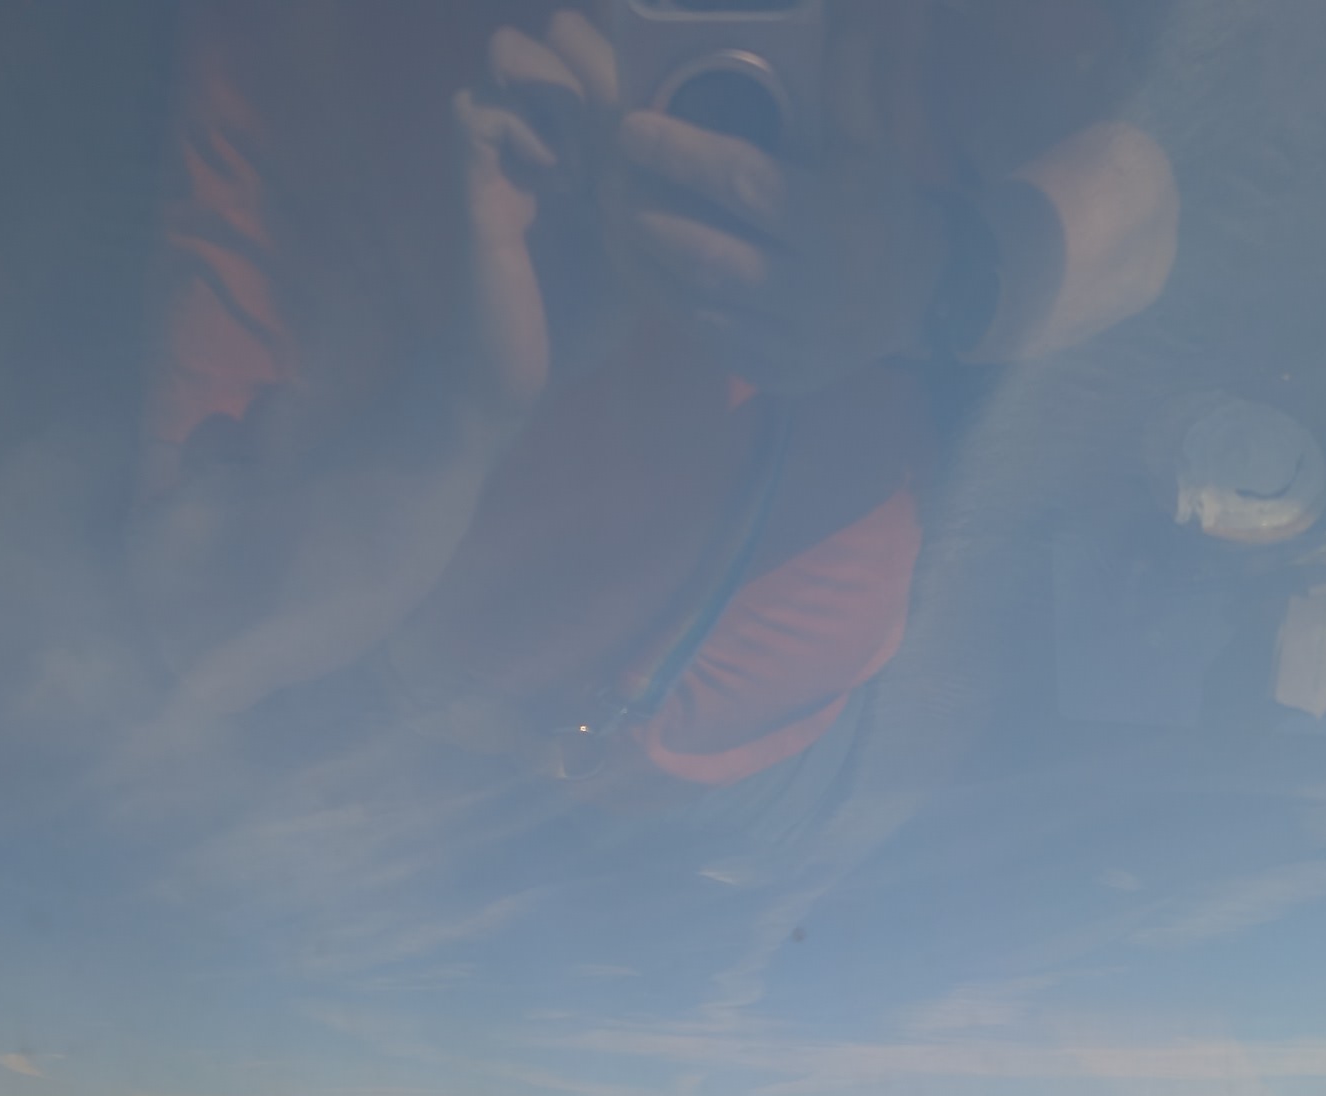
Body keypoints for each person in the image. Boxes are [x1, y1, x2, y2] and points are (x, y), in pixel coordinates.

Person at [133, 2, 1178, 800]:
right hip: (453, 790)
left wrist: (927, 275)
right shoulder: (304, 43)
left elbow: (1142, 200)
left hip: (792, 754)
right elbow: (209, 626)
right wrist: (471, 395)